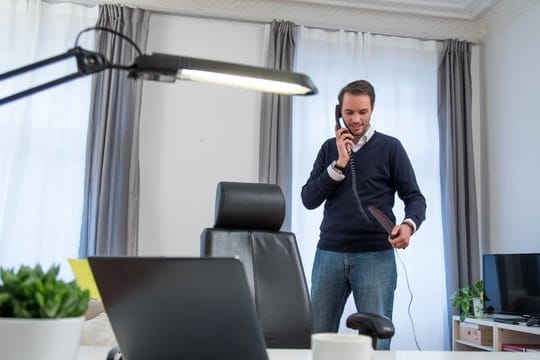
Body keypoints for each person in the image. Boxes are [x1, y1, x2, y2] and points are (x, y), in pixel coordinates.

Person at [301, 80, 426, 350]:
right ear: (339, 112)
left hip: (375, 256)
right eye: (349, 113)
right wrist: (339, 164)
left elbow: (415, 198)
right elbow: (308, 199)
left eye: (362, 112)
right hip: (329, 254)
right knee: (316, 339)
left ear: (372, 110)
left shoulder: (391, 148)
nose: (355, 119)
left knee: (375, 343)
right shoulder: (328, 149)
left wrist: (408, 225)